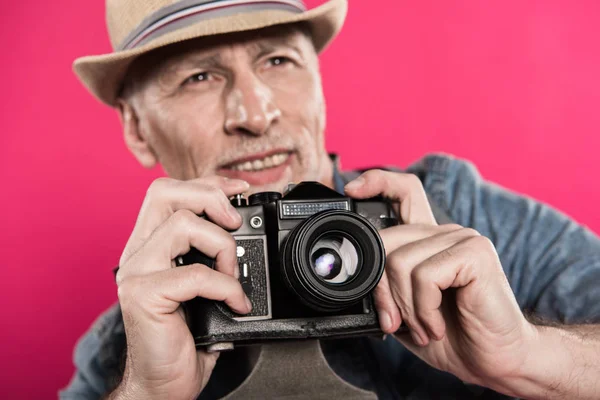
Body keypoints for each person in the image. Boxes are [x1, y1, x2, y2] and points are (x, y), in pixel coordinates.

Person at [61, 0, 600, 399]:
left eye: (277, 61)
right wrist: (148, 395)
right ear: (136, 127)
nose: (255, 113)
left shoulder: (459, 219)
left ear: (320, 80)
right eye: (199, 77)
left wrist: (528, 357)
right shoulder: (127, 346)